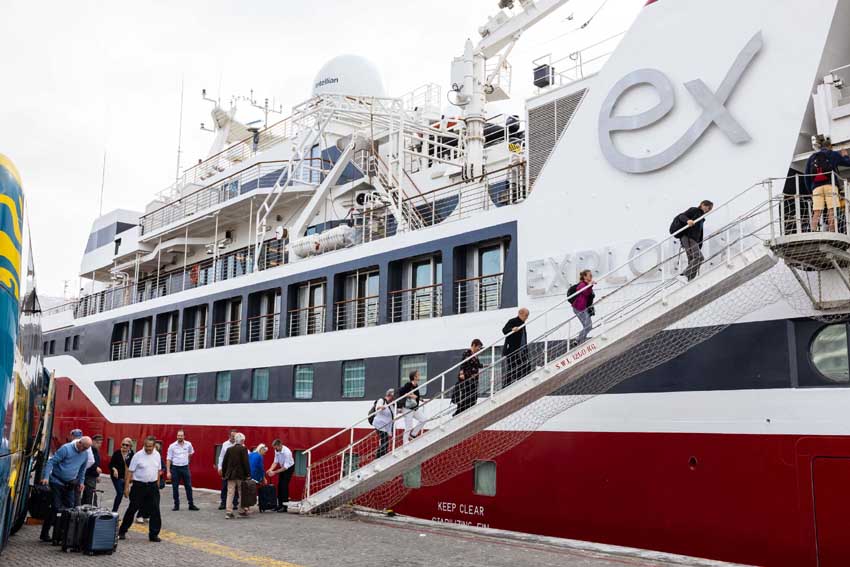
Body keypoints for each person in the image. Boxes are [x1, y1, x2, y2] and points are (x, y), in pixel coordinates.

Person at [38, 435, 92, 542]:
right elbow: (51, 462)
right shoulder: (66, 449)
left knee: (69, 509)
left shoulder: (85, 454)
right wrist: (46, 477)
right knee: (56, 508)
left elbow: (82, 470)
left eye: (87, 449)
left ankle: (62, 533)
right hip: (57, 482)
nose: (85, 450)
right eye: (84, 447)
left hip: (70, 485)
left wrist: (81, 482)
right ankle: (45, 533)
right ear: (79, 443)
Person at [118, 436, 162, 543]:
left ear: (154, 446)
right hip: (139, 486)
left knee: (155, 510)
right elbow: (130, 472)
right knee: (132, 508)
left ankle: (154, 534)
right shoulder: (137, 456)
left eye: (150, 447)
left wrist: (157, 484)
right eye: (146, 446)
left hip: (152, 486)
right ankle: (122, 531)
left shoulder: (157, 455)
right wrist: (126, 487)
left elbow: (158, 470)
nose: (148, 449)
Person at [806, 135, 850, 232]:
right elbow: (848, 163)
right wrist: (845, 155)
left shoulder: (812, 157)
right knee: (831, 210)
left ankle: (813, 231)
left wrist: (811, 191)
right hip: (830, 185)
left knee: (817, 211)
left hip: (816, 187)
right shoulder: (832, 154)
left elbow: (807, 176)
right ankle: (832, 231)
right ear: (830, 146)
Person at [670, 200, 713, 281]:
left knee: (692, 260)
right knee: (699, 257)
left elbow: (699, 233)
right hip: (688, 237)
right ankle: (684, 275)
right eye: (707, 206)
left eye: (710, 208)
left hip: (693, 240)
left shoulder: (701, 218)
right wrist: (688, 221)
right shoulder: (695, 210)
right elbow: (681, 216)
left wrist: (699, 244)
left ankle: (688, 279)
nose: (708, 209)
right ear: (702, 204)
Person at [166, 430, 198, 511]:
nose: (180, 437)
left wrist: (187, 461)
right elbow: (169, 459)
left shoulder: (188, 444)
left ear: (184, 436)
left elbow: (191, 453)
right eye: (178, 435)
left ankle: (191, 504)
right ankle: (176, 505)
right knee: (175, 487)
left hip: (185, 468)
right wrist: (168, 471)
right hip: (175, 468)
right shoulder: (172, 446)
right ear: (176, 436)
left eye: (181, 435)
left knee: (188, 486)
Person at [221, 432, 251, 519]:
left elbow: (224, 463)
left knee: (230, 493)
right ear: (241, 440)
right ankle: (241, 511)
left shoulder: (229, 449)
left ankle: (228, 512)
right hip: (240, 475)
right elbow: (246, 463)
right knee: (241, 493)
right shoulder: (243, 449)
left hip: (230, 475)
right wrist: (248, 474)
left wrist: (224, 474)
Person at [456, 339, 484, 415]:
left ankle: (467, 411)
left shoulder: (475, 355)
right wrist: (461, 373)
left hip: (474, 379)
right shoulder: (467, 353)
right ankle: (460, 412)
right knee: (467, 397)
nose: (479, 349)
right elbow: (463, 363)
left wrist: (484, 365)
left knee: (473, 398)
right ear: (474, 345)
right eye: (478, 347)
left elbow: (477, 365)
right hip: (467, 379)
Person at [502, 308, 530, 386]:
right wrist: (512, 329)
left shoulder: (523, 323)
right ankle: (506, 386)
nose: (527, 317)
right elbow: (504, 330)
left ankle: (521, 382)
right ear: (520, 314)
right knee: (512, 368)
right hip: (513, 350)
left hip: (522, 350)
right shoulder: (513, 321)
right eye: (526, 315)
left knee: (526, 366)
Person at [69, 428, 95, 506]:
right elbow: (91, 461)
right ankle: (77, 513)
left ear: (72, 436)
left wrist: (77, 468)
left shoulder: (72, 444)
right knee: (77, 496)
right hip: (80, 475)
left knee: (69, 495)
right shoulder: (88, 445)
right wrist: (82, 469)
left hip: (71, 475)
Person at [399, 370, 427, 443]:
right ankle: (405, 442)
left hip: (414, 408)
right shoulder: (408, 384)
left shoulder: (416, 385)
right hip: (407, 408)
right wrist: (411, 395)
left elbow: (416, 396)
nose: (419, 376)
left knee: (423, 419)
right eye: (418, 375)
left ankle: (413, 434)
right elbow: (401, 393)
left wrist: (421, 399)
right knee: (409, 426)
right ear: (414, 377)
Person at [267, 439, 294, 513]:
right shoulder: (277, 450)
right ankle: (279, 505)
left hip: (289, 468)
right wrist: (270, 470)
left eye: (276, 448)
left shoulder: (287, 452)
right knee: (279, 486)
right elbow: (275, 462)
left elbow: (285, 467)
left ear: (280, 445)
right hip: (282, 467)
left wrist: (274, 472)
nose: (275, 449)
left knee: (284, 486)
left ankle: (284, 507)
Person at [570, 269, 596, 345]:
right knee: (588, 326)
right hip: (579, 308)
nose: (591, 276)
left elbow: (589, 296)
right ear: (584, 276)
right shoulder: (582, 284)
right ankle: (578, 340)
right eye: (589, 275)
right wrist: (590, 285)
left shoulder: (586, 285)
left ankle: (580, 341)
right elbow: (586, 293)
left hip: (583, 308)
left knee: (587, 326)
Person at [109, 437, 134, 512]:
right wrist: (114, 469)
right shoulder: (117, 453)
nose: (124, 446)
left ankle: (132, 512)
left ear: (130, 446)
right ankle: (114, 511)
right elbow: (111, 464)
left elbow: (134, 466)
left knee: (128, 495)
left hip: (126, 477)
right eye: (123, 444)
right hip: (117, 477)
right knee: (120, 493)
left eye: (127, 445)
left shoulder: (132, 454)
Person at [217, 428, 239, 510]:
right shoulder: (225, 444)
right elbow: (221, 456)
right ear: (229, 436)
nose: (233, 437)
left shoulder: (240, 444)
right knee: (224, 486)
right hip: (226, 468)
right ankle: (223, 503)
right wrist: (220, 467)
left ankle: (235, 503)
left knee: (235, 486)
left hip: (236, 469)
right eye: (232, 436)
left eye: (235, 436)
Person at [372, 389, 395, 459]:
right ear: (390, 395)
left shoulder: (391, 404)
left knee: (385, 441)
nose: (394, 398)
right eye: (393, 396)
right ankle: (378, 457)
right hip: (380, 424)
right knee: (385, 441)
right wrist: (381, 407)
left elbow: (393, 413)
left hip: (385, 426)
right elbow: (377, 407)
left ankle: (382, 456)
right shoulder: (382, 400)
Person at [81, 434, 103, 505]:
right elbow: (88, 462)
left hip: (93, 476)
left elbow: (96, 463)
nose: (99, 445)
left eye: (100, 443)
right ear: (92, 441)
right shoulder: (89, 450)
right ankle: (90, 508)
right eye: (97, 442)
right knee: (90, 495)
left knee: (88, 494)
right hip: (88, 476)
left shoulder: (96, 450)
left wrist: (97, 475)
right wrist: (95, 468)